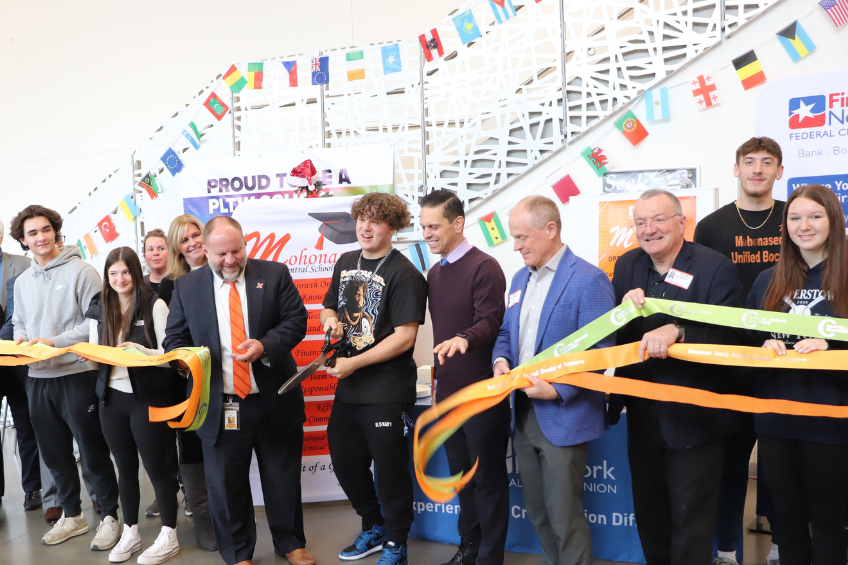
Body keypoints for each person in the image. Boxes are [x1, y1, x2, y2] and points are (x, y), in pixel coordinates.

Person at [164, 216, 312, 565]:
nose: (230, 260)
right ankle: (238, 553)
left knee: (283, 478)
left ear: (245, 245)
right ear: (204, 249)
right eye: (221, 254)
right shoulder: (187, 287)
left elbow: (297, 320)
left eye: (237, 251)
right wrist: (184, 362)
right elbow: (174, 340)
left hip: (273, 398)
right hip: (222, 405)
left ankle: (290, 544)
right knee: (226, 485)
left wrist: (265, 344)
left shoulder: (273, 274)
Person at [610, 189, 743, 565]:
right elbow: (615, 337)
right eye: (640, 222)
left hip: (695, 419)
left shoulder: (715, 267)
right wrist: (620, 315)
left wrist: (680, 331)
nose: (649, 229)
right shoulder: (627, 266)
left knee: (691, 524)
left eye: (658, 219)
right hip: (640, 415)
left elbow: (732, 340)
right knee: (650, 517)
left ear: (682, 222)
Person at [491, 195, 614, 565]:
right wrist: (500, 359)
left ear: (551, 229)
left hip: (564, 415)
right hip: (523, 413)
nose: (516, 247)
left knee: (565, 517)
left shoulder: (589, 279)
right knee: (539, 513)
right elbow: (506, 333)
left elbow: (600, 352)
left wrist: (558, 389)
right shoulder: (518, 279)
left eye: (522, 237)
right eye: (514, 238)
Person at [320, 192, 428, 565]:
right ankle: (375, 525)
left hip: (386, 388)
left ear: (392, 227)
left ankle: (397, 542)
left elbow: (405, 337)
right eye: (361, 219)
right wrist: (330, 320)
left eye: (375, 221)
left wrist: (355, 363)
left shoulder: (406, 273)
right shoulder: (346, 261)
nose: (365, 227)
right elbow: (328, 306)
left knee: (390, 468)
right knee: (344, 460)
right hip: (349, 386)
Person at [746, 184, 848, 565]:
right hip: (775, 421)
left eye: (815, 216)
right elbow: (747, 339)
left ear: (833, 220)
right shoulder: (767, 280)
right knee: (785, 522)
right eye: (795, 217)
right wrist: (762, 347)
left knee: (827, 523)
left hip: (831, 421)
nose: (804, 225)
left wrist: (832, 346)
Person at [694, 137, 785, 565]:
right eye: (749, 162)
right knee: (730, 462)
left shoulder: (796, 217)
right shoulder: (711, 226)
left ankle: (782, 545)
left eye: (767, 163)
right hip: (729, 361)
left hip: (785, 360)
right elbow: (699, 295)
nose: (757, 170)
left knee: (783, 460)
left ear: (778, 172)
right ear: (736, 169)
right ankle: (727, 551)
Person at [9, 204, 120, 549]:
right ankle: (73, 515)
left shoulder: (82, 271)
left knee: (92, 449)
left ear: (56, 231)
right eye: (32, 233)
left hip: (77, 373)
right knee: (54, 452)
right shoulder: (23, 280)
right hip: (37, 377)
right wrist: (23, 340)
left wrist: (54, 342)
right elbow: (19, 322)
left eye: (46, 229)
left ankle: (110, 517)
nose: (41, 237)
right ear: (23, 240)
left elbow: (95, 323)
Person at [419, 189, 509, 565]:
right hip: (448, 394)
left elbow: (491, 322)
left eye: (434, 226)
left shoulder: (485, 266)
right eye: (423, 227)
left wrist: (464, 338)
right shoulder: (435, 272)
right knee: (462, 477)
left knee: (487, 479)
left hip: (482, 395)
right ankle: (468, 547)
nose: (427, 234)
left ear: (458, 223)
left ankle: (490, 557)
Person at [76, 247, 181, 564]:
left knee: (157, 466)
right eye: (112, 274)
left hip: (147, 398)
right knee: (125, 469)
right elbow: (97, 360)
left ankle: (169, 533)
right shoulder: (99, 307)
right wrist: (90, 358)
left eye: (125, 272)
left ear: (135, 273)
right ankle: (131, 531)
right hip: (111, 401)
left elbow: (170, 358)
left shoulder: (154, 304)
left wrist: (141, 352)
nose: (119, 279)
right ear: (106, 278)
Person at [160, 213, 216, 550]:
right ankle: (203, 520)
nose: (193, 242)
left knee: (226, 446)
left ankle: (230, 514)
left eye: (196, 234)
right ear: (177, 248)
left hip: (229, 376)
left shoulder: (228, 270)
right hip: (190, 380)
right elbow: (173, 335)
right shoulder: (172, 284)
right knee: (193, 448)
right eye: (185, 239)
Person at [0, 220, 40, 511]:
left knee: (27, 426)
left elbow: (23, 313)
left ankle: (33, 488)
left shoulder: (24, 265)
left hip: (18, 361)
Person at [143, 229, 171, 305]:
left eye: (161, 248)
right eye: (150, 249)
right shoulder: (139, 285)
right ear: (145, 256)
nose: (155, 253)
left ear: (170, 252)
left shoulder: (180, 282)